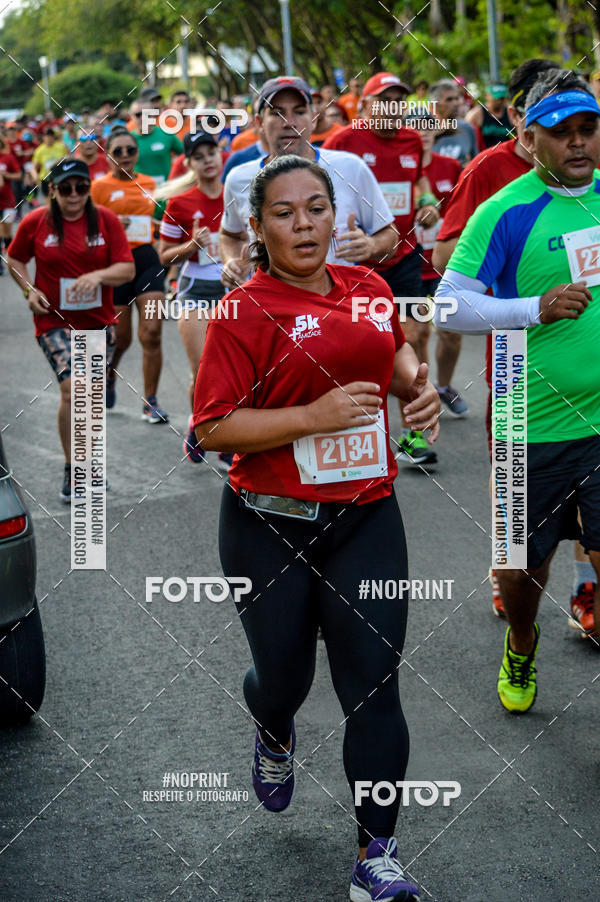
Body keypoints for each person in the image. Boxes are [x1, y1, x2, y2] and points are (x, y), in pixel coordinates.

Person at [194, 153, 440, 902]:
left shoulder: (367, 286)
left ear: (339, 215)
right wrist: (313, 418)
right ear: (258, 228)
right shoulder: (244, 310)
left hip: (366, 516)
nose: (303, 223)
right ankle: (273, 730)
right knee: (286, 680)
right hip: (269, 525)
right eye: (284, 212)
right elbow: (212, 429)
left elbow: (392, 349)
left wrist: (417, 389)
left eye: (316, 208)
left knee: (373, 684)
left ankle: (378, 855)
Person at [434, 71, 600, 712]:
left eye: (589, 130)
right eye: (562, 134)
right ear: (531, 140)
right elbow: (448, 307)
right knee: (521, 577)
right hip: (527, 428)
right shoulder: (504, 212)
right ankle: (523, 642)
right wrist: (534, 306)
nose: (579, 144)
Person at [432, 57, 563, 616]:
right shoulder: (488, 171)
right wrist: (527, 302)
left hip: (588, 356)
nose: (568, 137)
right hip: (516, 356)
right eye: (548, 118)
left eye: (581, 123)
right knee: (512, 476)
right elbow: (445, 261)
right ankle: (507, 570)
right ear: (517, 115)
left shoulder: (592, 168)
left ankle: (585, 589)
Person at [324, 73, 441, 465]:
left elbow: (418, 176)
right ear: (366, 104)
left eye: (399, 100)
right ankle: (366, 436)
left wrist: (427, 201)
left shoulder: (410, 139)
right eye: (384, 99)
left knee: (416, 334)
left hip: (404, 254)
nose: (394, 107)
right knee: (369, 347)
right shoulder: (343, 141)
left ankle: (413, 435)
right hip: (356, 264)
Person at [6, 158, 133, 501]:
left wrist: (97, 276)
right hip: (54, 322)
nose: (74, 194)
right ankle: (74, 470)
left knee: (90, 397)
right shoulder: (36, 222)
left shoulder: (104, 220)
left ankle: (89, 464)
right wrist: (29, 290)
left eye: (81, 187)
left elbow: (126, 269)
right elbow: (13, 258)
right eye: (66, 188)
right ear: (53, 190)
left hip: (98, 322)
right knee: (73, 390)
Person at [219, 76, 397, 291]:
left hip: (338, 305)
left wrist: (371, 245)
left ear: (314, 119)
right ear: (259, 123)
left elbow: (390, 235)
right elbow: (229, 234)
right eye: (277, 113)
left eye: (299, 112)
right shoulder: (238, 178)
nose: (289, 122)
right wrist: (230, 262)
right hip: (270, 309)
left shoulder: (351, 168)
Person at [157, 130, 228, 462]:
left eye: (211, 152)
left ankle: (232, 440)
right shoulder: (180, 203)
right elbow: (163, 256)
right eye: (198, 157)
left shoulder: (238, 194)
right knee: (203, 370)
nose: (207, 160)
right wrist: (191, 246)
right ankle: (198, 423)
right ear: (189, 164)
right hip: (195, 289)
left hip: (235, 289)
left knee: (237, 368)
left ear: (220, 154)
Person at [91, 128, 168, 422]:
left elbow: (161, 220)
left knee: (152, 334)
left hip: (147, 260)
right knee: (120, 339)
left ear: (137, 154)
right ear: (108, 154)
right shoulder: (99, 188)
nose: (124, 156)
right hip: (117, 264)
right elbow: (89, 230)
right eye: (117, 151)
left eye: (130, 151)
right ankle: (110, 374)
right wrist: (111, 225)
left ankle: (151, 401)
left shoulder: (149, 183)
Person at [129, 100, 183, 186]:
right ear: (131, 117)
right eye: (138, 114)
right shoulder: (127, 140)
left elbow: (186, 155)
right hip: (139, 194)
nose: (143, 118)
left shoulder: (167, 134)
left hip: (165, 193)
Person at [430, 79, 479, 166]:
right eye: (449, 100)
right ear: (435, 105)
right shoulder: (424, 132)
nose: (456, 103)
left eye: (457, 98)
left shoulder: (468, 129)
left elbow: (476, 164)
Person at [466, 83, 514, 148]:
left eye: (502, 98)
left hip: (504, 154)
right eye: (496, 98)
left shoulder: (511, 113)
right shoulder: (476, 115)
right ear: (487, 96)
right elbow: (467, 138)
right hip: (484, 154)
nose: (499, 101)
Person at [0, 137, 21, 273]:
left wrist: (6, 175)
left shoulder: (8, 157)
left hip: (8, 201)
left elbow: (18, 175)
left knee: (7, 233)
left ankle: (12, 258)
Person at [32, 128, 68, 196]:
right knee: (48, 203)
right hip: (46, 180)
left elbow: (67, 158)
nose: (48, 138)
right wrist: (35, 176)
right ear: (43, 137)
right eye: (46, 136)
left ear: (53, 137)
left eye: (50, 136)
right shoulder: (39, 150)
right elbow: (34, 167)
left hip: (59, 178)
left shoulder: (61, 147)